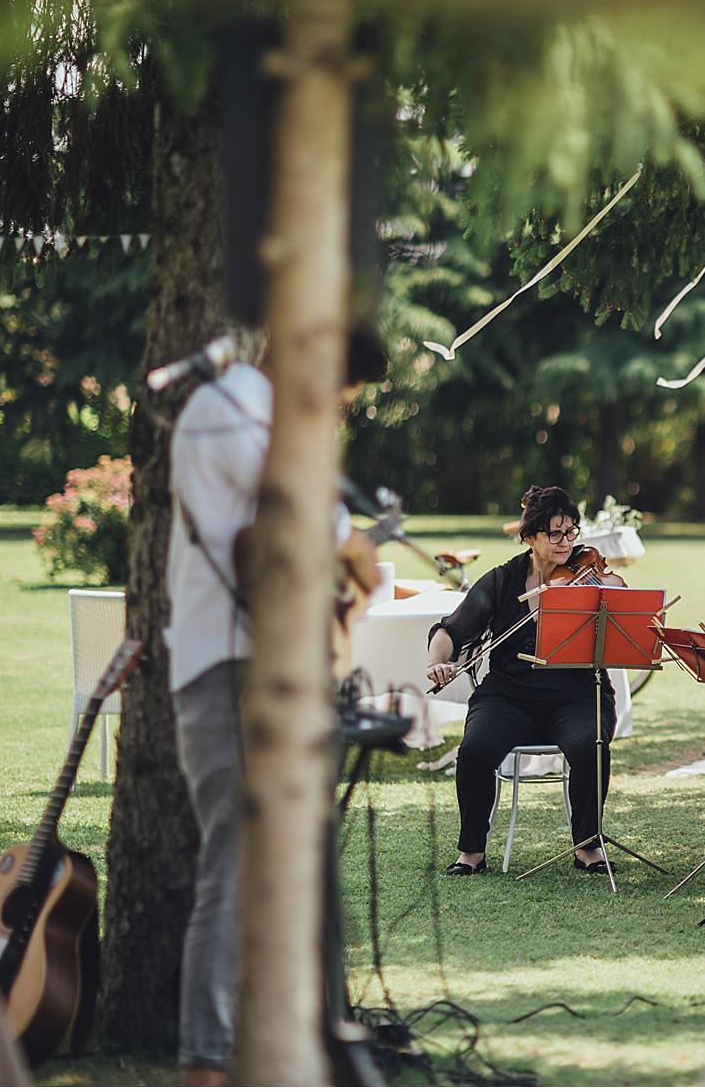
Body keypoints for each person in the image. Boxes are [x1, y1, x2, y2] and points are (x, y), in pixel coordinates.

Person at [165, 327, 387, 1085]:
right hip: (230, 666)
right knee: (232, 864)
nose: (335, 414)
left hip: (257, 664)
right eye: (341, 399)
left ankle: (270, 1041)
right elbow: (311, 533)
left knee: (270, 866)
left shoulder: (264, 412)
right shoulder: (238, 407)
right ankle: (207, 1060)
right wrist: (358, 557)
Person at [428, 485, 626, 876]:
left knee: (591, 746)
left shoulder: (588, 577)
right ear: (530, 536)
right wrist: (436, 661)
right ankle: (471, 851)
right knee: (476, 750)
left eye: (572, 532)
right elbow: (452, 629)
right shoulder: (502, 581)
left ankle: (587, 845)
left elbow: (624, 608)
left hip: (578, 695)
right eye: (556, 533)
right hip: (509, 697)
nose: (567, 542)